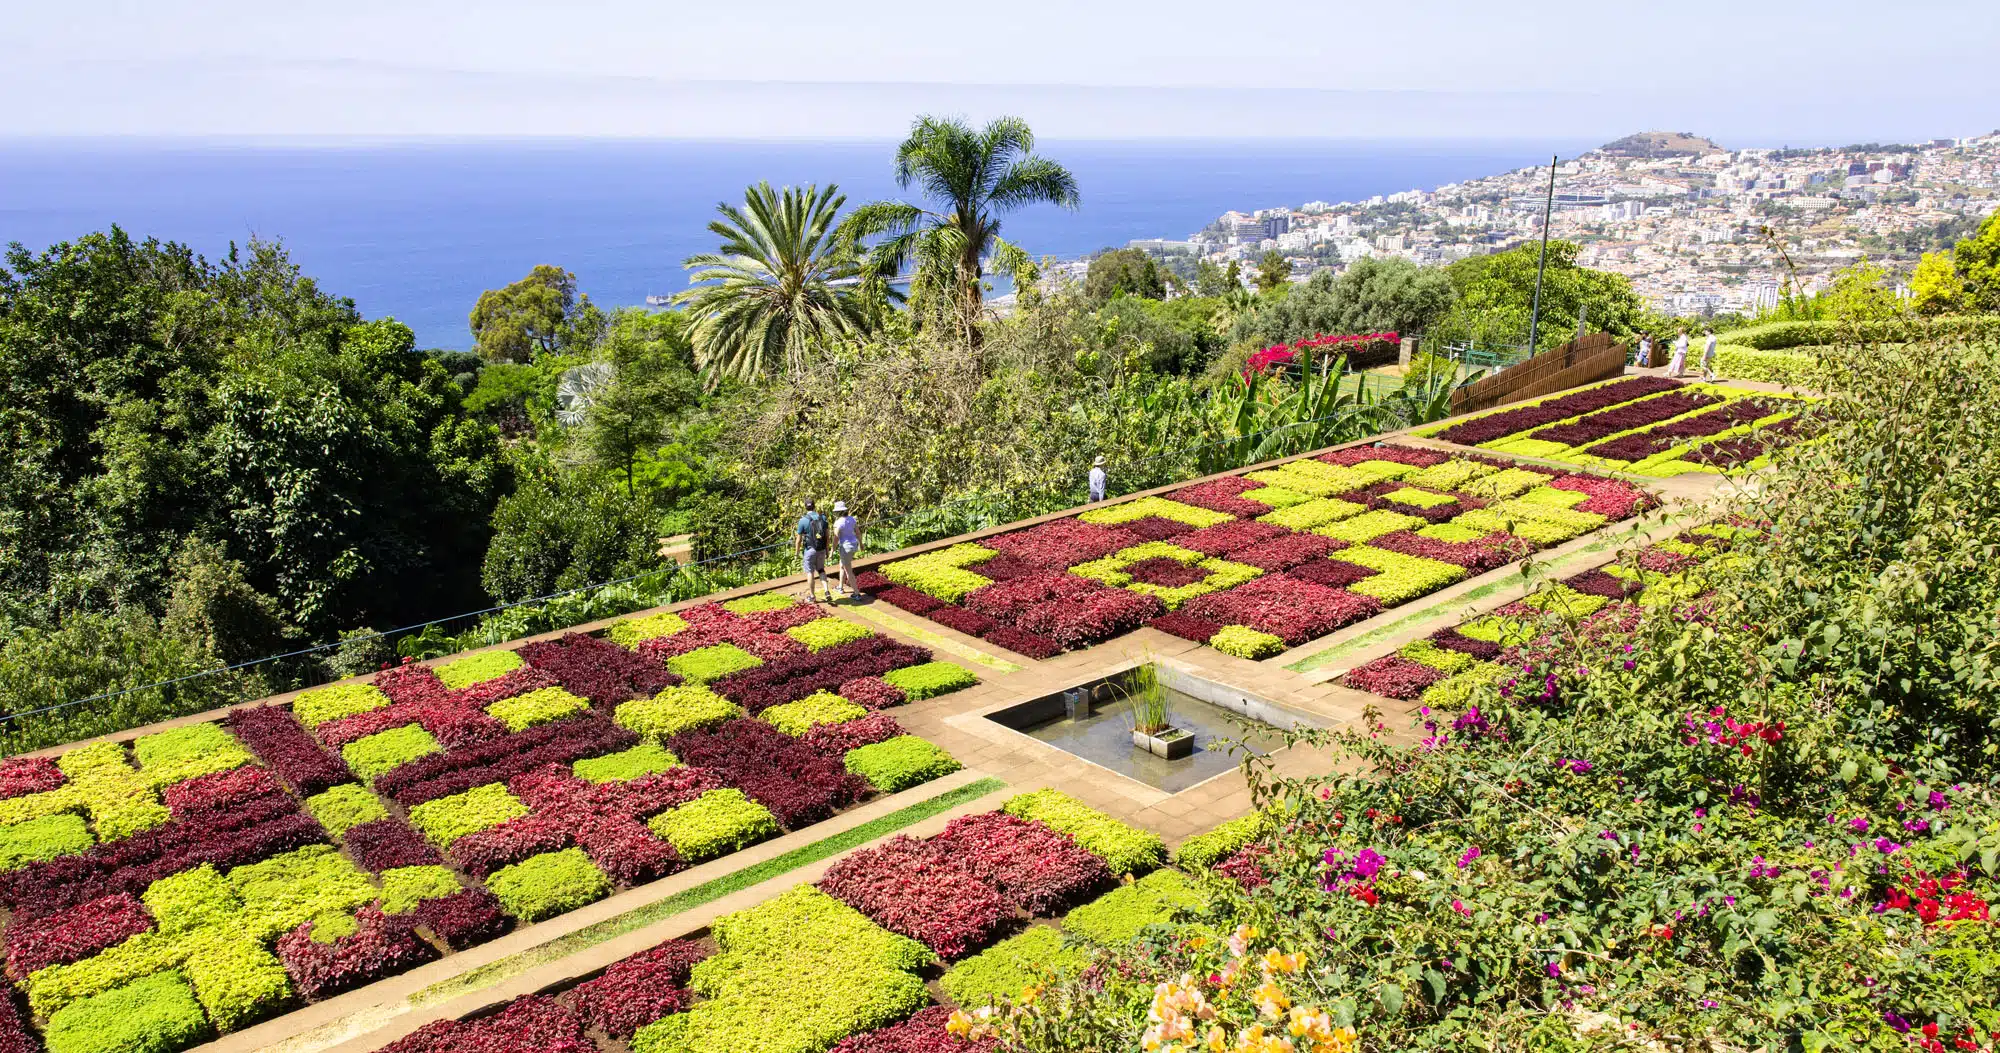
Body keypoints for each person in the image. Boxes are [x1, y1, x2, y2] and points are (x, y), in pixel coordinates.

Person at [794, 499, 830, 603]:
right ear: (814, 506)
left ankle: (812, 596)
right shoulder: (823, 517)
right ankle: (827, 591)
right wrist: (827, 551)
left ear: (805, 507)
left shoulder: (803, 520)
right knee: (821, 569)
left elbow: (798, 540)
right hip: (821, 549)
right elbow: (828, 537)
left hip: (810, 550)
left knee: (810, 572)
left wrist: (796, 554)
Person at [831, 500, 862, 597]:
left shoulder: (838, 522)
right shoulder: (852, 519)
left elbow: (835, 538)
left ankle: (856, 593)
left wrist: (832, 550)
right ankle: (840, 587)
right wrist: (861, 544)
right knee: (842, 565)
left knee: (848, 569)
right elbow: (858, 532)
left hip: (845, 548)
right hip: (853, 545)